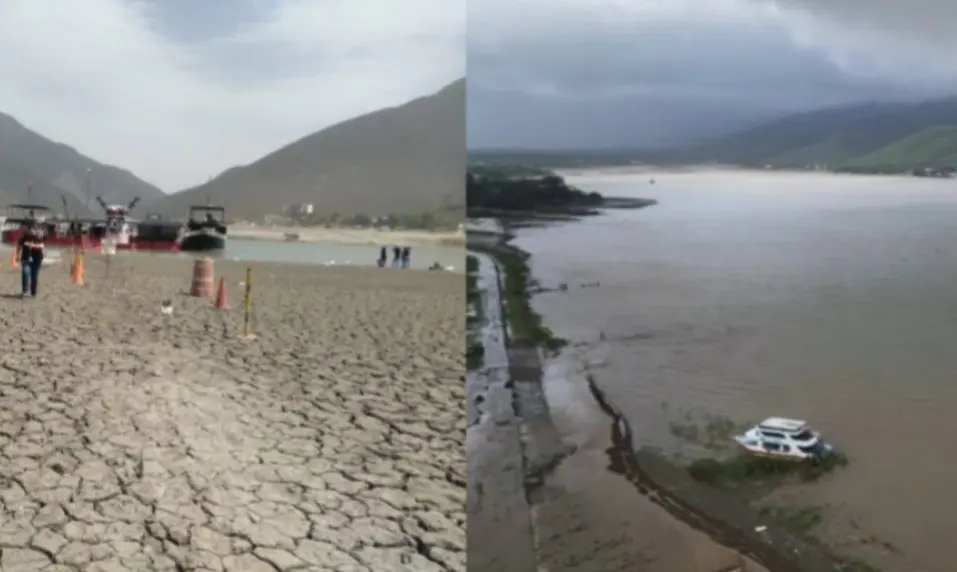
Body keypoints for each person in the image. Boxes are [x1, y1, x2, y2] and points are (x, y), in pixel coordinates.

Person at [17, 223, 45, 298]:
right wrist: (17, 255)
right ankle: (25, 291)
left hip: (37, 258)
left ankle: (33, 292)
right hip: (26, 258)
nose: (31, 231)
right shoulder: (23, 238)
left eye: (32, 229)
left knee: (34, 275)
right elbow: (19, 246)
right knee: (25, 273)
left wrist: (31, 245)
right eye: (29, 229)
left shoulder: (39, 237)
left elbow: (42, 246)